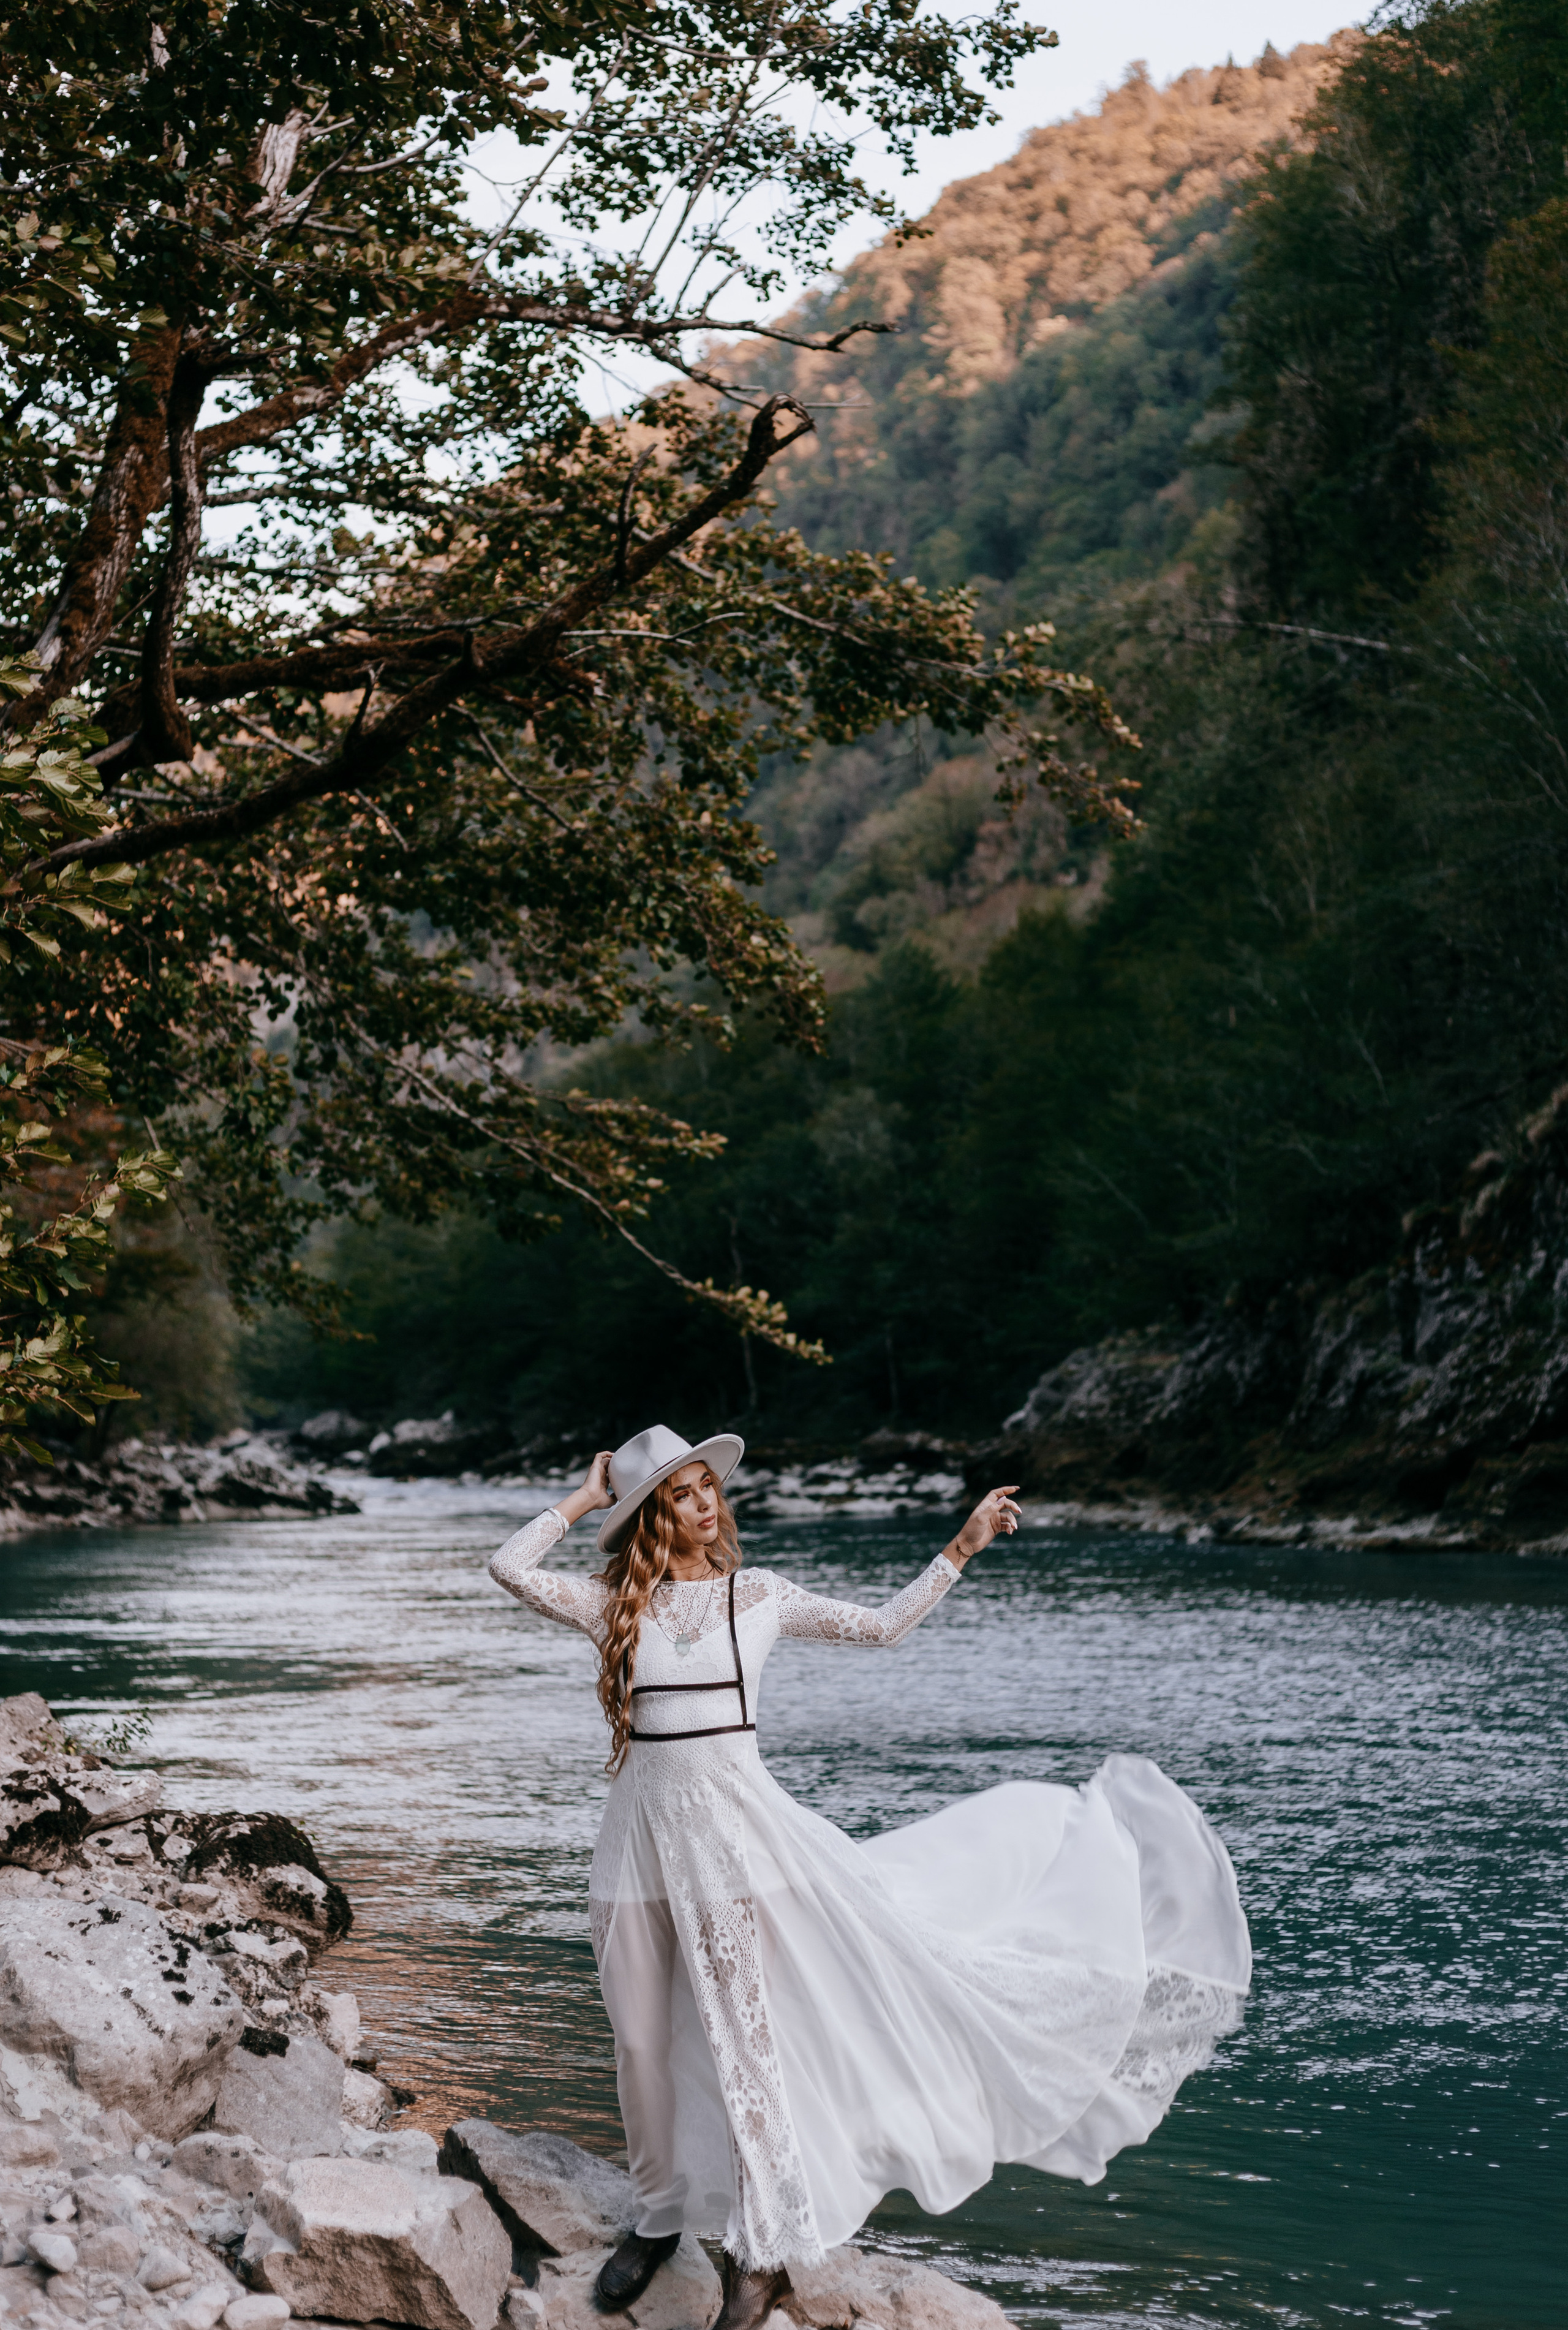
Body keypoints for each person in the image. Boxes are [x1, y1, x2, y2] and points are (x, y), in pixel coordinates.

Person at [489, 1425, 1251, 2330]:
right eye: (682, 1493)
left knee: (745, 2049)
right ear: (653, 1513)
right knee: (641, 2045)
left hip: (736, 1855)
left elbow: (883, 1628)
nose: (704, 1504)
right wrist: (587, 1499)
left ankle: (761, 2256)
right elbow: (509, 1566)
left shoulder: (759, 1595)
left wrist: (961, 1547)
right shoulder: (614, 1604)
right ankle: (657, 2219)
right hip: (633, 1856)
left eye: (707, 1488)